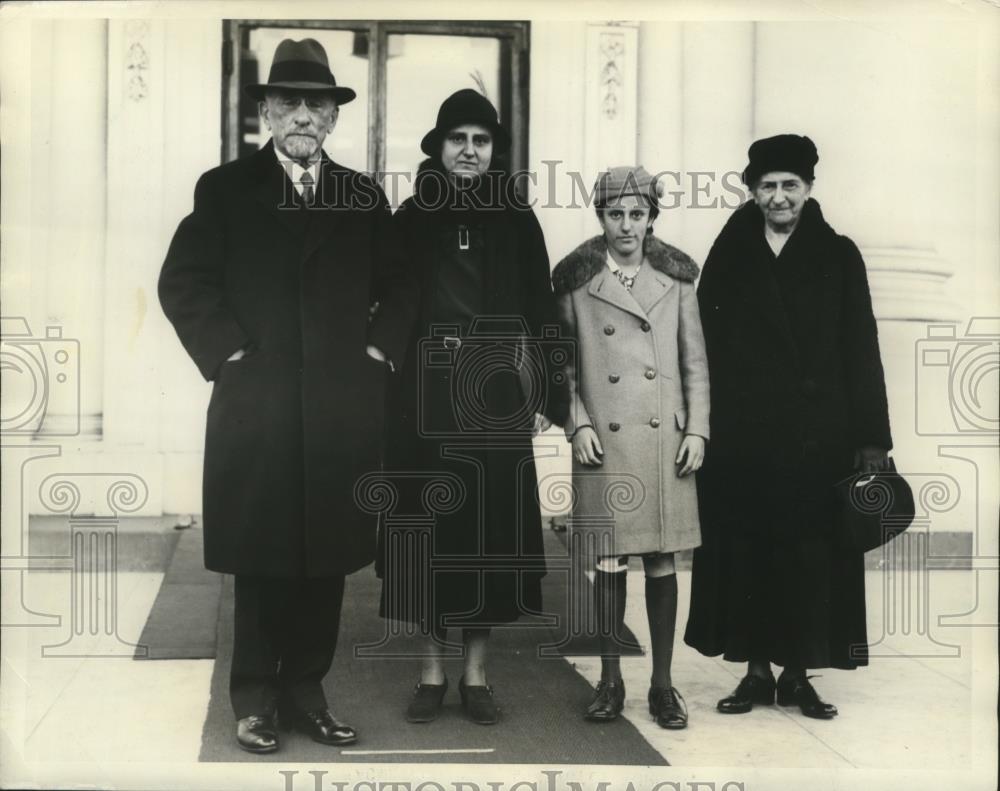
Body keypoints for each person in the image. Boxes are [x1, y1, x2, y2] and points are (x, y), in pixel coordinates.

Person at [158, 39, 417, 754]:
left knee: (326, 555)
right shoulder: (225, 189)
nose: (303, 115)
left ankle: (307, 691)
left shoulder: (361, 196)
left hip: (338, 407)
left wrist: (378, 350)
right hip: (259, 405)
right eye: (289, 102)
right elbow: (183, 281)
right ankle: (253, 699)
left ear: (333, 117)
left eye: (317, 104)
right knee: (261, 553)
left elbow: (402, 284)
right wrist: (228, 351)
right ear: (267, 112)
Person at [684, 134, 892, 719]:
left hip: (816, 436)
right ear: (752, 191)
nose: (779, 197)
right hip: (743, 434)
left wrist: (870, 439)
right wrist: (699, 423)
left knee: (808, 556)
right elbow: (700, 343)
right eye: (768, 186)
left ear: (809, 189)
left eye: (790, 186)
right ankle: (754, 672)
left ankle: (798, 674)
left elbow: (862, 346)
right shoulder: (730, 253)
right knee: (748, 550)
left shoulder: (839, 254)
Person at [377, 89, 567, 726]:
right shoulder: (411, 217)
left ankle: (476, 674)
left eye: (480, 141)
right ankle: (431, 672)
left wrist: (547, 391)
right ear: (439, 147)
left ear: (493, 151)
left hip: (495, 393)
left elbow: (541, 307)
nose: (468, 150)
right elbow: (386, 301)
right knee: (428, 531)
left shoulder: (517, 218)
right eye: (457, 139)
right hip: (423, 395)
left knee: (488, 533)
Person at [551, 166, 710, 729]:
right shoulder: (576, 282)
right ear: (601, 217)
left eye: (636, 214)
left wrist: (697, 430)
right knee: (610, 559)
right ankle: (610, 680)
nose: (626, 226)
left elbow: (695, 362)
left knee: (662, 558)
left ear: (651, 218)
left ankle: (663, 685)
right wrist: (577, 424)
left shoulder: (677, 281)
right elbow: (562, 362)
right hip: (604, 441)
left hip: (664, 441)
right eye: (615, 214)